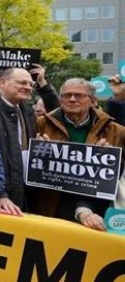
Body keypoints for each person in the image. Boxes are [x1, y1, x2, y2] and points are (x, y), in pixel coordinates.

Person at [32, 78, 125, 230]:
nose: (72, 99)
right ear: (60, 99)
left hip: (93, 210)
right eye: (67, 95)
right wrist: (38, 151)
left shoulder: (116, 131)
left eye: (79, 95)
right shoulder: (40, 124)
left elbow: (120, 175)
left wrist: (109, 158)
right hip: (49, 205)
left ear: (93, 100)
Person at [0, 66, 60, 213]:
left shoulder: (26, 111)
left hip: (24, 192)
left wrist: (42, 82)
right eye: (22, 83)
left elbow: (58, 112)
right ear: (3, 83)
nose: (28, 87)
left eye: (30, 84)